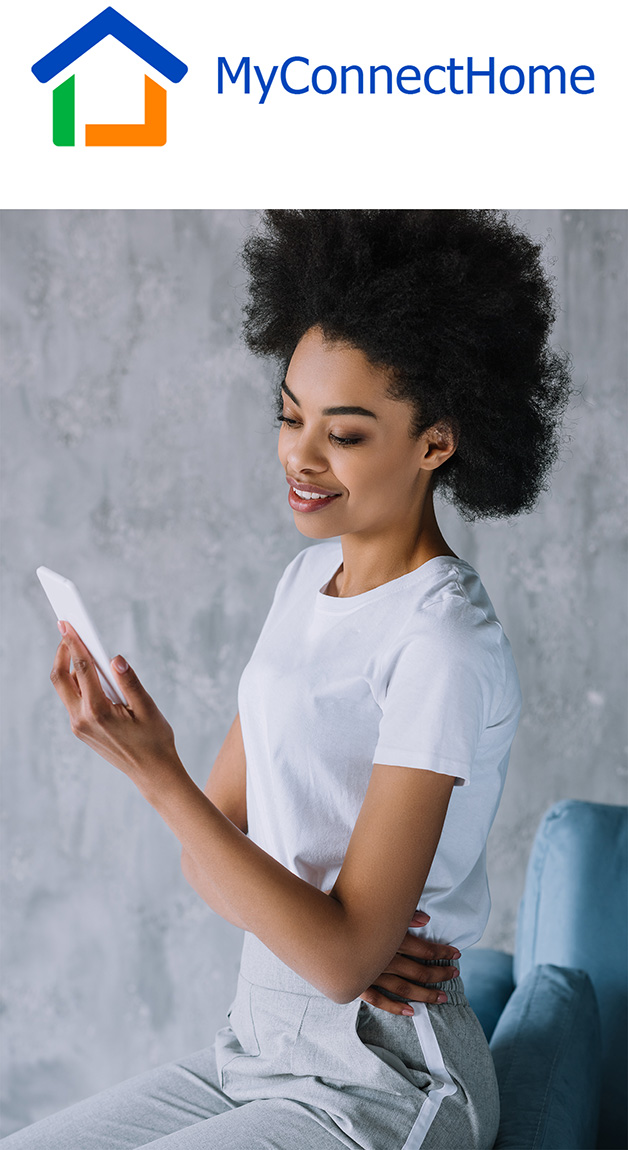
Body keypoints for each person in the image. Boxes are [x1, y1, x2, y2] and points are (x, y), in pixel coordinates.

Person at [5, 209, 571, 1149]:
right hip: (254, 1052)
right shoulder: (305, 581)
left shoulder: (443, 644)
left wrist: (159, 778)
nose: (300, 457)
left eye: (344, 435)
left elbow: (343, 956)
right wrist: (322, 937)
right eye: (289, 414)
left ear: (436, 441)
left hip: (384, 1084)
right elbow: (211, 850)